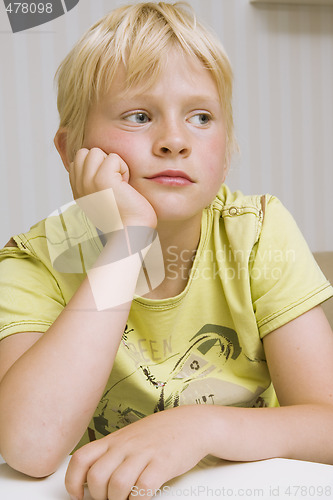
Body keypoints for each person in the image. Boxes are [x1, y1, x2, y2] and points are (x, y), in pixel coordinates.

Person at [0, 2, 333, 499]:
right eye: (139, 116)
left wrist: (202, 427)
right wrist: (127, 237)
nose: (174, 140)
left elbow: (327, 424)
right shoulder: (35, 261)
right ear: (71, 150)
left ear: (227, 149)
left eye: (201, 117)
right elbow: (29, 446)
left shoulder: (258, 232)